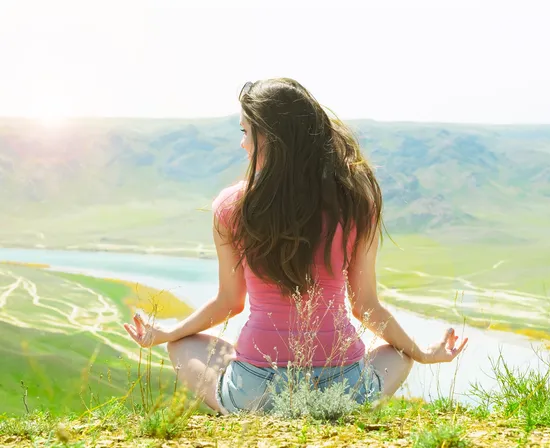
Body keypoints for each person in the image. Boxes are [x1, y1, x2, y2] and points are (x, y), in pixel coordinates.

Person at [123, 78, 468, 414]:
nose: (242, 144)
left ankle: (243, 403)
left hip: (256, 394)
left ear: (270, 138)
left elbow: (229, 302)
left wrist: (168, 332)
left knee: (182, 344)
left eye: (246, 132)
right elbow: (365, 307)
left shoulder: (232, 206)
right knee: (397, 351)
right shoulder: (355, 202)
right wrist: (420, 352)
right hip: (346, 390)